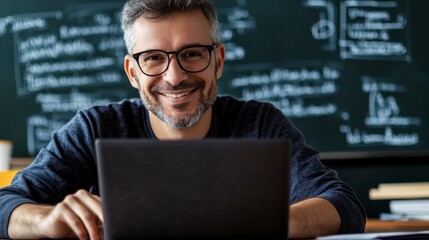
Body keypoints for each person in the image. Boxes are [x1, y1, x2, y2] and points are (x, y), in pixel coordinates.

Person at [0, 0, 366, 239]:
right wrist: (45, 221)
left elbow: (343, 204)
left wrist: (267, 222)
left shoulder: (259, 124)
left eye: (192, 54)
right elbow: (6, 205)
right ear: (132, 71)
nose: (174, 77)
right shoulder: (96, 129)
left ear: (218, 60)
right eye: (154, 58)